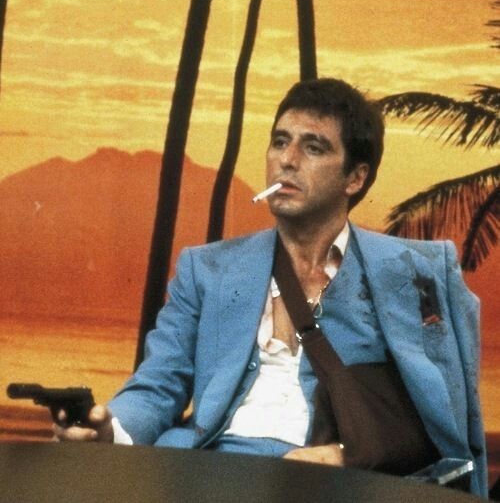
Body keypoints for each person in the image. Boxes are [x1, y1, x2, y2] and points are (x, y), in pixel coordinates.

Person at [54, 78, 487, 497]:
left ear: (355, 178)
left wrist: (347, 456)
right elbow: (159, 384)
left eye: (313, 147)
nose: (287, 160)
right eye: (280, 142)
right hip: (201, 471)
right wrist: (110, 429)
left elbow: (442, 413)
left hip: (331, 486)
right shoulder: (206, 269)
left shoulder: (413, 272)